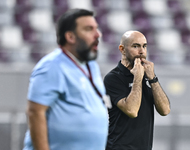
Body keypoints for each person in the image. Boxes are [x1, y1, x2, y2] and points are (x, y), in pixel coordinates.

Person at [23, 9, 108, 150]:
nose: (97, 34)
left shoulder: (91, 65)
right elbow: (35, 112)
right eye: (89, 29)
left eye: (96, 28)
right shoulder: (52, 66)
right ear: (70, 37)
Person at [104, 30, 171, 150]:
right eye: (136, 46)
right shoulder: (113, 78)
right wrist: (138, 78)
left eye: (144, 46)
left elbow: (165, 110)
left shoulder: (147, 76)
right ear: (122, 49)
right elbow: (131, 110)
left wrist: (153, 78)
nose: (142, 52)